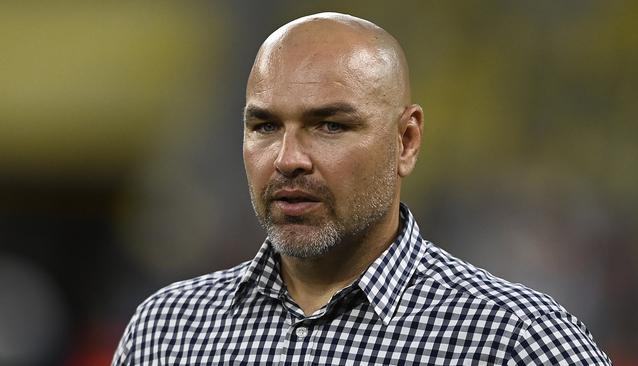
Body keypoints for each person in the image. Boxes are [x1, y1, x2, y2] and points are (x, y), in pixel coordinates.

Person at [112, 12, 611, 365]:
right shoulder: (166, 331)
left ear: (407, 140)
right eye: (264, 127)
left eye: (329, 126)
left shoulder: (517, 342)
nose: (288, 159)